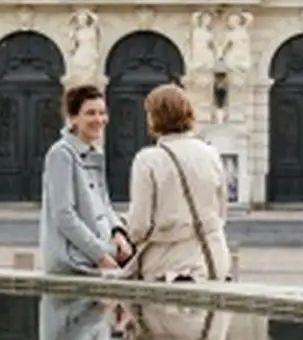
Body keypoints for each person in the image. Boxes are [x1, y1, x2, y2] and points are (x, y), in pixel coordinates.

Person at [124, 83, 231, 282]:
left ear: (154, 117)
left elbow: (140, 226)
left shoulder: (148, 160)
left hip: (169, 266)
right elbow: (222, 211)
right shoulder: (210, 153)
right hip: (213, 261)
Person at [39, 84, 131, 276]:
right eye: (90, 113)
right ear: (73, 118)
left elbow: (104, 203)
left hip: (98, 258)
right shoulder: (61, 154)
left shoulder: (95, 153)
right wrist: (101, 257)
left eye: (102, 113)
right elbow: (64, 214)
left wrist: (118, 233)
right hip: (75, 263)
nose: (99, 120)